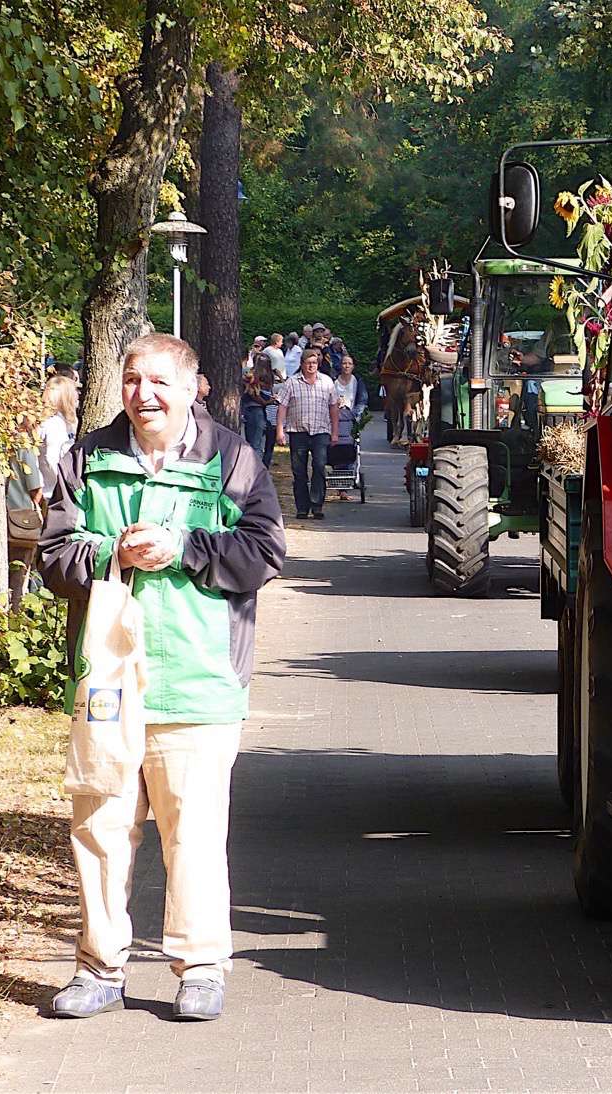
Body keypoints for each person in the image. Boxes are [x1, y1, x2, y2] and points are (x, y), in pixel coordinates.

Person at [38, 333, 285, 1022]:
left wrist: (181, 549)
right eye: (131, 380)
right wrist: (110, 550)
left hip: (198, 677)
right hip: (108, 679)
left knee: (194, 833)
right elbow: (54, 556)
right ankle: (99, 968)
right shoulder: (86, 458)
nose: (143, 395)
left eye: (159, 383)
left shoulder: (230, 458)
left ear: (193, 387)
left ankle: (200, 965)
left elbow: (265, 551)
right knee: (100, 826)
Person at [275, 347, 335, 519]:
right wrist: (280, 430)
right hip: (298, 432)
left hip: (321, 432)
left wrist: (335, 432)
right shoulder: (292, 383)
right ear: (302, 364)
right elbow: (282, 407)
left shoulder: (327, 382)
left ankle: (317, 505)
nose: (311, 366)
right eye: (308, 363)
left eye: (314, 363)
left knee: (319, 466)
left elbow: (333, 408)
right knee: (299, 471)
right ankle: (302, 507)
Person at [5, 416, 44, 608]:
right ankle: (15, 613)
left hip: (2, 516)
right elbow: (35, 488)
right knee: (18, 575)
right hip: (19, 521)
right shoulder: (24, 444)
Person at [37, 374, 79, 490]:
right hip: (54, 491)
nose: (77, 396)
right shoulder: (54, 424)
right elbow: (52, 460)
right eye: (74, 392)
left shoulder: (69, 422)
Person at [330, 355, 366, 451]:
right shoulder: (333, 381)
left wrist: (355, 414)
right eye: (344, 363)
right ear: (340, 365)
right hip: (334, 416)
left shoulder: (357, 381)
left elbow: (362, 400)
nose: (347, 366)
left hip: (351, 416)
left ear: (353, 366)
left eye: (349, 364)